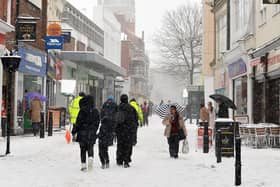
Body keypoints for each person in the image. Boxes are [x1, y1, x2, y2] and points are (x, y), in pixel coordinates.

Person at [72, 95, 100, 171]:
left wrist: (74, 131)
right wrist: (94, 130)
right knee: (90, 147)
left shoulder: (82, 111)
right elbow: (97, 122)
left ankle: (83, 165)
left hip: (82, 133)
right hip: (91, 133)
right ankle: (90, 158)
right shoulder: (95, 111)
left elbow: (78, 122)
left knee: (83, 149)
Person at [116, 94, 138, 168]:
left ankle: (119, 160)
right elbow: (135, 120)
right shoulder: (131, 108)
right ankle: (126, 160)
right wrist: (134, 129)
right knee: (128, 146)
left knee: (120, 145)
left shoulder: (118, 108)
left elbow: (115, 119)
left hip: (120, 130)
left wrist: (115, 129)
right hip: (129, 130)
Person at [98, 96, 118, 169]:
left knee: (102, 146)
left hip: (104, 126)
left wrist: (103, 120)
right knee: (106, 143)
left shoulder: (104, 105)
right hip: (111, 126)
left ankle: (103, 162)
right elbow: (117, 116)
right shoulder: (115, 105)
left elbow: (101, 114)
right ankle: (107, 160)